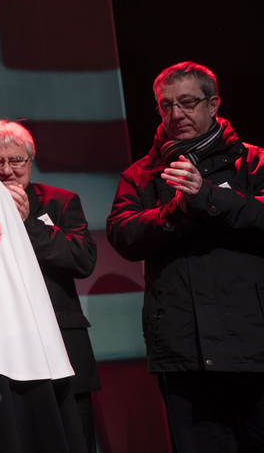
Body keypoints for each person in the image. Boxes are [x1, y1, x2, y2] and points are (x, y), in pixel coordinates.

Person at [107, 61, 264, 452]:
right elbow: (124, 235)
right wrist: (178, 210)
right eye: (166, 106)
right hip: (183, 351)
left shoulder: (256, 161)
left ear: (214, 104)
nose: (176, 115)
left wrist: (207, 197)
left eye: (188, 103)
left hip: (255, 343)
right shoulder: (140, 176)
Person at [0, 120, 100, 453]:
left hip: (61, 346)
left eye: (17, 160)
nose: (7, 171)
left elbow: (83, 260)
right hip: (3, 353)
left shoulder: (60, 202)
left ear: (30, 161)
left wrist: (28, 225)